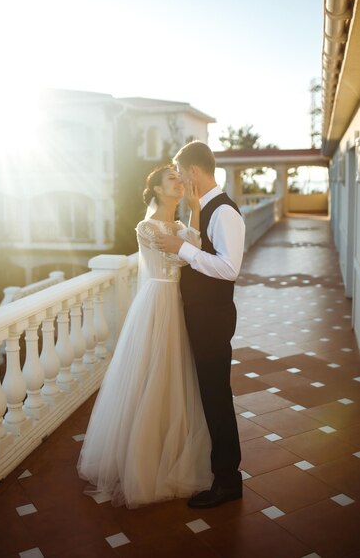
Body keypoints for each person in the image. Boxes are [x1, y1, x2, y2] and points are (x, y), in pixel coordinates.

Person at [77, 165, 213, 508]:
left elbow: (194, 250)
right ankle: (144, 462)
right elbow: (178, 257)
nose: (180, 184)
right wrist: (195, 220)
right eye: (172, 180)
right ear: (154, 189)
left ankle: (174, 450)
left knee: (175, 379)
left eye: (180, 180)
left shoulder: (179, 226)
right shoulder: (147, 226)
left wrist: (192, 221)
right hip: (157, 304)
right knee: (150, 377)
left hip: (179, 305)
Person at [155, 141, 245, 508]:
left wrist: (182, 249)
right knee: (209, 396)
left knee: (217, 398)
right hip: (201, 317)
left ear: (194, 171)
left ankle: (227, 480)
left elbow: (228, 268)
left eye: (181, 171)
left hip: (212, 320)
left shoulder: (223, 212)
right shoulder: (204, 209)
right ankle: (220, 473)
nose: (180, 179)